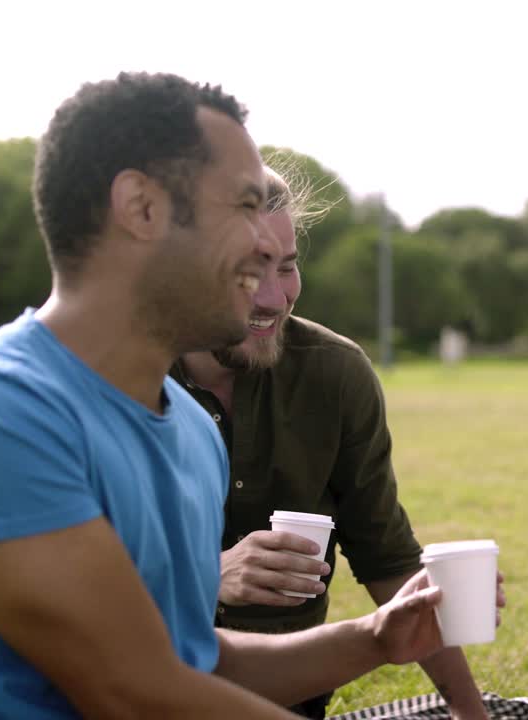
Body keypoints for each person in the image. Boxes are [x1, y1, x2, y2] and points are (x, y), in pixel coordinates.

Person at [0, 72, 501, 718]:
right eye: (243, 206)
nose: (268, 244)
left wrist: (374, 638)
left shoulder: (186, 429)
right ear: (142, 208)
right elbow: (135, 690)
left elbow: (193, 663)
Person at [172, 167, 493, 719]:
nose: (274, 297)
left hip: (290, 695)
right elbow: (73, 606)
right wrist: (208, 576)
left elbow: (385, 556)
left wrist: (471, 713)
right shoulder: (123, 384)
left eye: (288, 266)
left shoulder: (334, 372)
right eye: (249, 271)